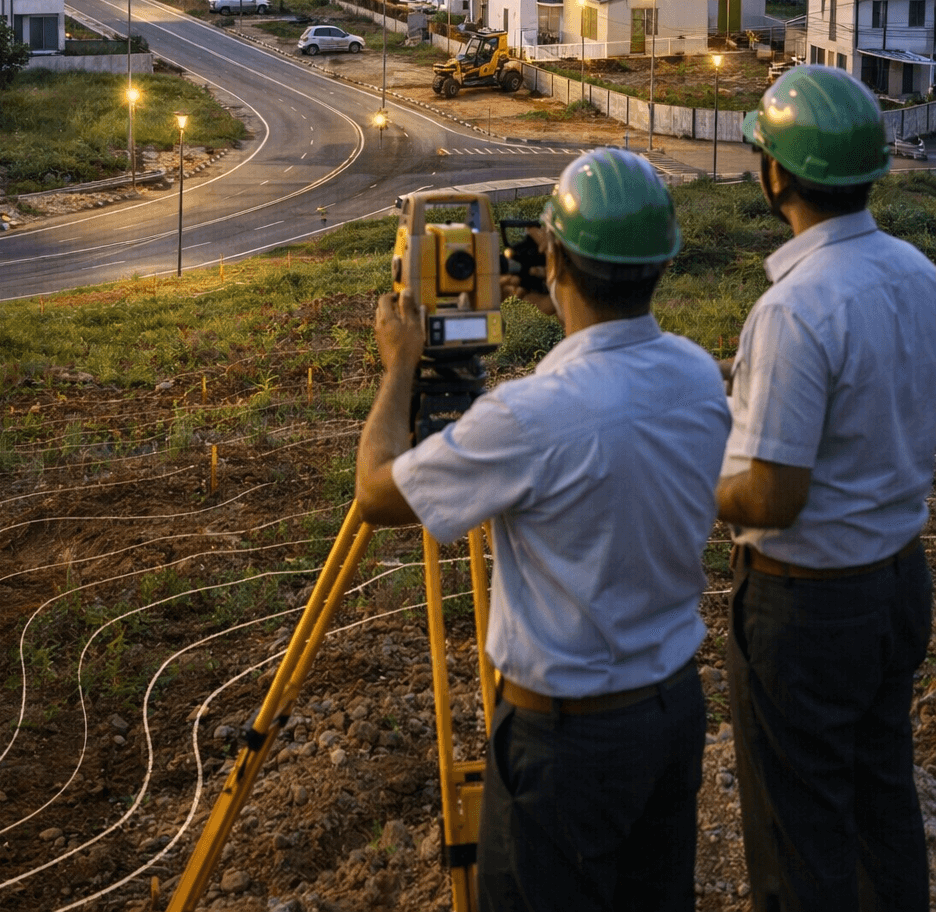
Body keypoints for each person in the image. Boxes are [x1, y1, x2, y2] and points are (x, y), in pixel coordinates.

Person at [356, 149, 730, 911]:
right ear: (660, 263)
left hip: (568, 747)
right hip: (669, 717)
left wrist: (400, 365)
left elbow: (376, 494)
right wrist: (562, 285)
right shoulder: (695, 373)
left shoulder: (529, 418)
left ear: (553, 255)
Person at [718, 66, 936, 912]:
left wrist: (700, 477)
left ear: (777, 174)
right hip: (896, 581)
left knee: (798, 831)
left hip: (808, 608)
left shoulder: (795, 308)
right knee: (881, 800)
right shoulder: (917, 274)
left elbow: (770, 497)